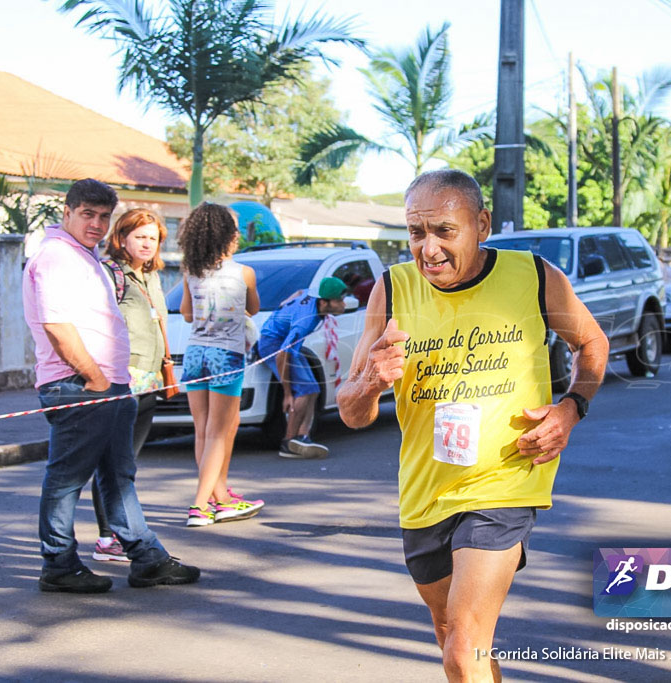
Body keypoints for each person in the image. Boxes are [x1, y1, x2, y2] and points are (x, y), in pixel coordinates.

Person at [337, 169, 608, 682]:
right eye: (417, 233)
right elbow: (352, 412)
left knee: (463, 647)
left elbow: (592, 345)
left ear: (481, 223)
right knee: (454, 638)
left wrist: (571, 407)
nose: (428, 249)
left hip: (504, 482)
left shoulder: (533, 276)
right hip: (424, 492)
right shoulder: (392, 291)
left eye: (444, 231)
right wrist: (370, 382)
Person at [22, 178, 200, 593]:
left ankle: (146, 558)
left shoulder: (84, 256)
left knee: (119, 476)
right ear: (67, 213)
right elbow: (56, 326)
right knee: (66, 479)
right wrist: (95, 378)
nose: (97, 224)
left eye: (103, 216)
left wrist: (110, 381)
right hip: (80, 385)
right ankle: (59, 564)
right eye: (88, 214)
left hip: (110, 384)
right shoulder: (57, 258)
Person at [90, 209, 173, 562]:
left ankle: (119, 531)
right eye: (139, 236)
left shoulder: (152, 277)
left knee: (128, 461)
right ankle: (108, 537)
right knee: (112, 461)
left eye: (152, 238)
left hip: (149, 379)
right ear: (121, 238)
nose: (146, 243)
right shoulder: (111, 274)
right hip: (121, 378)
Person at [178, 202, 263, 527]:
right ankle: (201, 505)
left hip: (195, 354)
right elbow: (253, 308)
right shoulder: (244, 273)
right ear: (228, 235)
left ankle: (222, 498)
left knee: (204, 430)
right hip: (226, 356)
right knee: (218, 432)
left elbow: (186, 314)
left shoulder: (191, 271)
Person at [256, 276, 349, 459]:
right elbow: (282, 355)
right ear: (324, 302)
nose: (343, 305)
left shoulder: (311, 296)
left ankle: (303, 437)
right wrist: (288, 392)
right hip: (272, 344)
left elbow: (299, 292)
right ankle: (288, 442)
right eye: (339, 301)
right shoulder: (306, 321)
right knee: (304, 391)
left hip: (282, 342)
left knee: (313, 388)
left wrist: (284, 305)